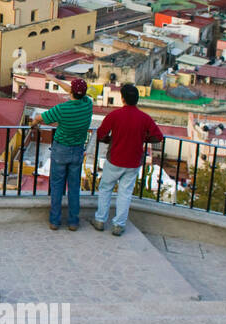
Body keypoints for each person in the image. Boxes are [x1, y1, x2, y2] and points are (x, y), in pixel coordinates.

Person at [92, 83, 164, 237]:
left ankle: (100, 220)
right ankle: (119, 225)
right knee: (125, 193)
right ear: (137, 100)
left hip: (115, 159)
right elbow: (158, 137)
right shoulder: (144, 118)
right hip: (133, 161)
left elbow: (100, 135)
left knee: (105, 189)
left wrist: (110, 140)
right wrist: (143, 138)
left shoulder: (115, 115)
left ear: (122, 98)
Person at [31, 77, 93, 231]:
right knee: (73, 187)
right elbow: (73, 91)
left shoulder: (63, 109)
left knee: (57, 186)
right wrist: (55, 80)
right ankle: (73, 222)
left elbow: (40, 117)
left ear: (71, 91)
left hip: (61, 150)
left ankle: (55, 221)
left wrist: (32, 124)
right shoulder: (88, 104)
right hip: (78, 149)